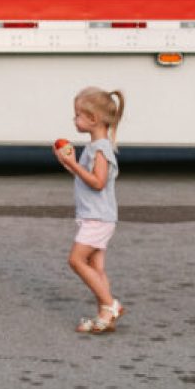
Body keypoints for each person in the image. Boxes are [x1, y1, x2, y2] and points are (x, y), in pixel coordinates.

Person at [53, 86, 125, 334]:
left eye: (78, 115)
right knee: (96, 268)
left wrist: (73, 163)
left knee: (75, 260)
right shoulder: (95, 147)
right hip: (94, 216)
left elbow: (98, 182)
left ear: (93, 119)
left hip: (98, 218)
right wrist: (69, 163)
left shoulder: (101, 150)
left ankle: (110, 304)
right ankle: (105, 315)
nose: (74, 120)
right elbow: (87, 178)